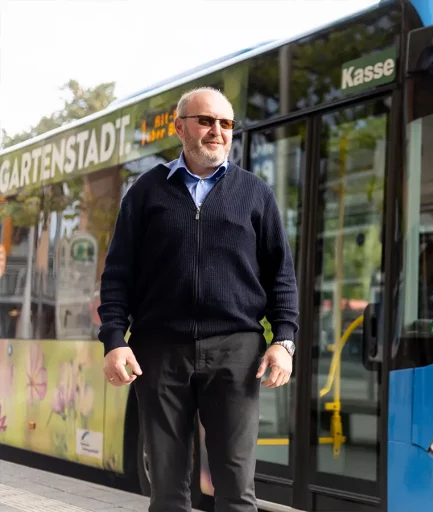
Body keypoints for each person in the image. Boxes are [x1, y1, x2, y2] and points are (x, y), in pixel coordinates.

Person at [98, 86, 299, 512]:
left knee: (236, 489)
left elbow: (281, 275)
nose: (217, 131)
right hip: (159, 350)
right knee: (168, 491)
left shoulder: (254, 192)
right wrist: (114, 340)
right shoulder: (146, 192)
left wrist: (284, 341)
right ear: (180, 127)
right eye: (206, 121)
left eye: (225, 124)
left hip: (236, 351)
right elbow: (117, 275)